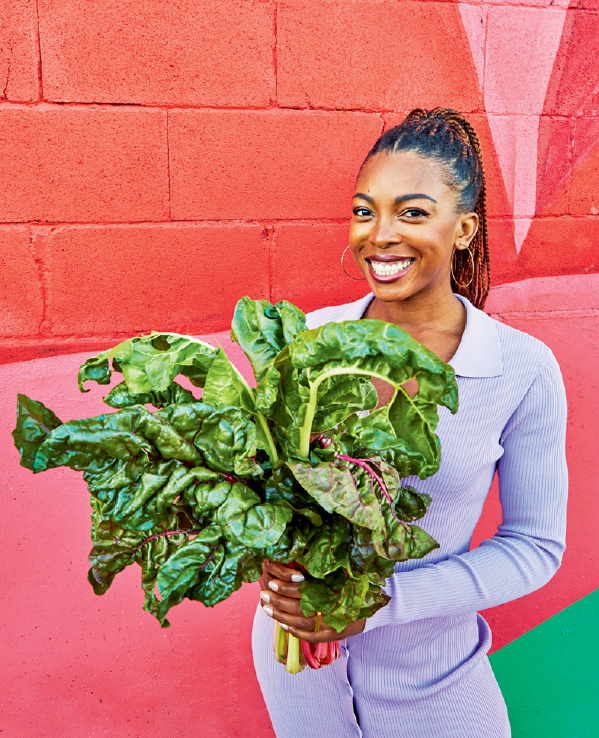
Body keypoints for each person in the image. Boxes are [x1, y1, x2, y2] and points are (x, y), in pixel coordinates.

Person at [251, 108, 568, 738]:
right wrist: (262, 543)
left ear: (465, 230)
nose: (379, 235)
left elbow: (535, 549)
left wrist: (376, 605)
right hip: (296, 662)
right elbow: (262, 482)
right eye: (365, 211)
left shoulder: (520, 369)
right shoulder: (308, 340)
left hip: (435, 671)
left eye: (413, 213)